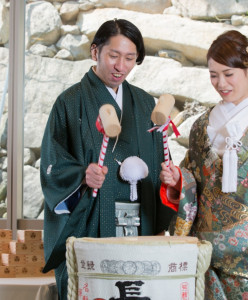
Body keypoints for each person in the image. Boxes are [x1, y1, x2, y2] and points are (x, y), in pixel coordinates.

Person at [40, 19, 175, 299]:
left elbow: (163, 159)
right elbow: (52, 165)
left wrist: (170, 178)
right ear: (95, 52)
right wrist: (81, 175)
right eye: (113, 55)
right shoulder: (70, 102)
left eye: (130, 58)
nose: (120, 66)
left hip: (140, 224)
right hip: (92, 220)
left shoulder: (146, 103)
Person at [160, 30, 248, 299]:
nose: (220, 83)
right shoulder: (202, 125)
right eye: (213, 75)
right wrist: (179, 180)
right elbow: (193, 177)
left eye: (228, 74)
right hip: (206, 259)